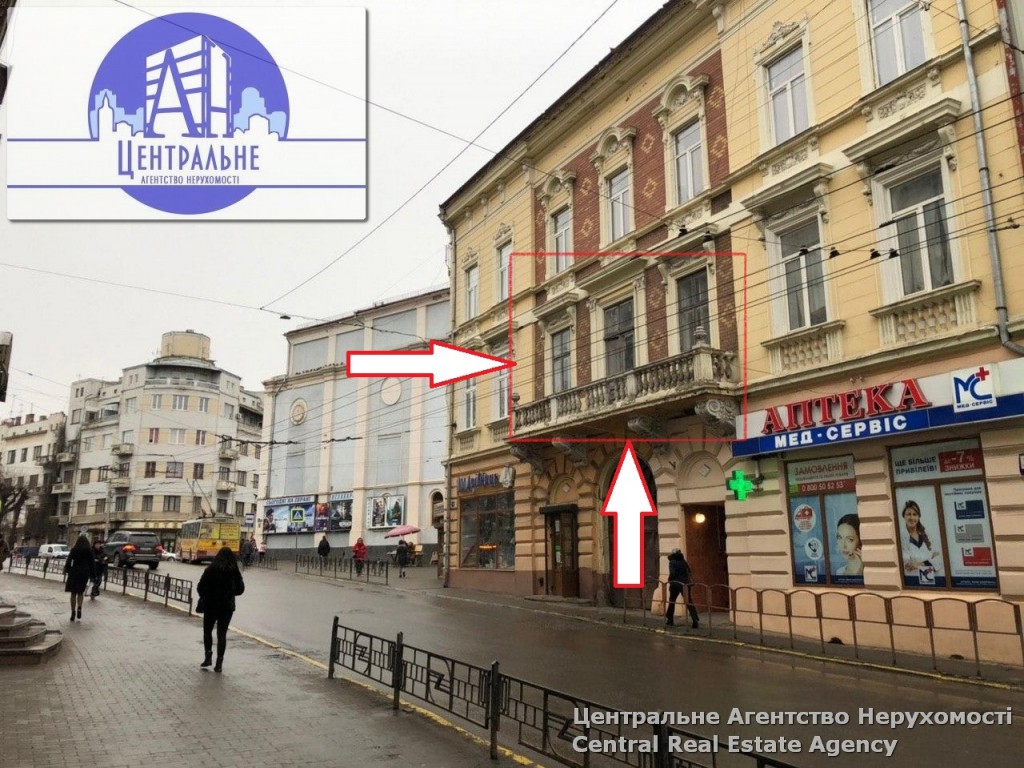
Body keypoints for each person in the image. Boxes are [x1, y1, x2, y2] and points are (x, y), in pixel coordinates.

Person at [196, 546, 245, 673]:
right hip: (226, 607)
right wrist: (230, 593)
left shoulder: (210, 570)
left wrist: (208, 594)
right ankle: (219, 663)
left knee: (207, 631)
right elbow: (240, 589)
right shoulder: (234, 572)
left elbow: (200, 587)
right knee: (222, 634)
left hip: (210, 605)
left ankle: (208, 656)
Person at [900, 500, 943, 581]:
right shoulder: (900, 537)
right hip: (913, 580)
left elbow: (939, 559)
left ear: (919, 517)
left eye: (915, 514)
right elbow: (907, 563)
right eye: (908, 514)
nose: (912, 518)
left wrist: (919, 564)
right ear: (904, 516)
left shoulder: (928, 535)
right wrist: (930, 561)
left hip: (932, 579)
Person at [63, 535, 96, 622]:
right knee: (80, 592)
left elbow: (69, 560)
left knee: (73, 593)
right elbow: (92, 563)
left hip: (74, 572)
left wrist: (68, 570)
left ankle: (73, 612)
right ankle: (79, 608)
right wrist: (92, 575)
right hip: (84, 573)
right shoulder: (89, 550)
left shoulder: (74, 549)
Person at [665, 548, 699, 629]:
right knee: (689, 601)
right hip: (685, 584)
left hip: (676, 584)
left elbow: (672, 573)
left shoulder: (672, 562)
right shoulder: (684, 561)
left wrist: (670, 580)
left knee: (672, 601)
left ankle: (670, 620)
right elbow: (689, 571)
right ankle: (695, 620)